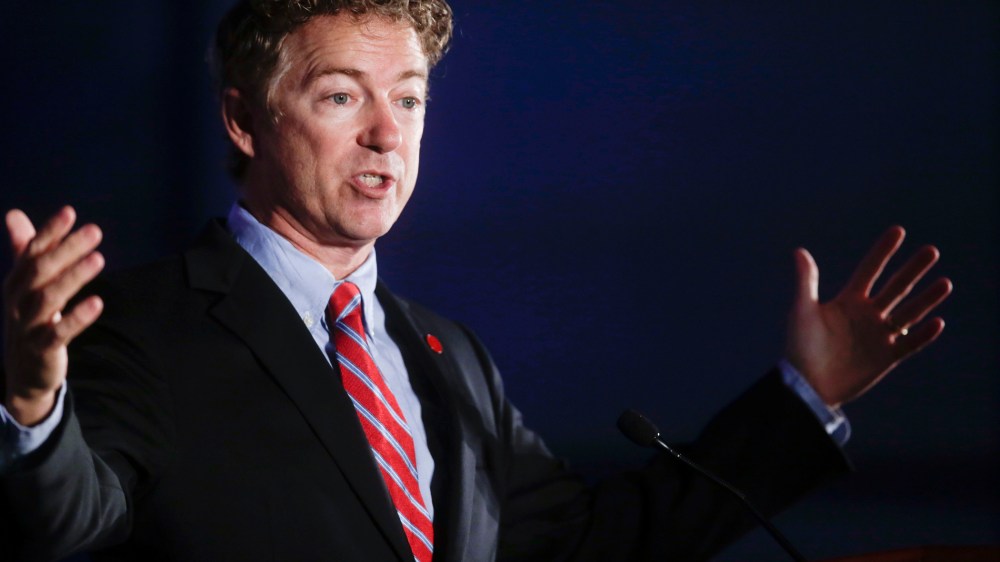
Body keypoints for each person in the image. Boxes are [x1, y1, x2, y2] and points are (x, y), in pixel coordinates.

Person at [0, 1, 952, 560]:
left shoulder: (445, 355)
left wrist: (805, 397)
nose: (388, 132)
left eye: (409, 98)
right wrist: (34, 406)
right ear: (245, 121)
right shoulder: (141, 322)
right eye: (342, 95)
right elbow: (70, 522)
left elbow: (585, 545)